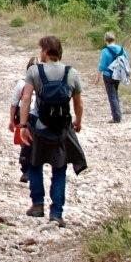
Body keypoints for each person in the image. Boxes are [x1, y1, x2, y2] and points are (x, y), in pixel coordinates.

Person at [18, 35, 86, 227]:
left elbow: (25, 98)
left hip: (39, 126)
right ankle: (56, 213)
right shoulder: (72, 73)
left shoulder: (34, 71)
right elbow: (78, 103)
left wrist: (23, 125)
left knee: (35, 164)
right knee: (59, 169)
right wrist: (78, 122)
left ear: (46, 52)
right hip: (62, 129)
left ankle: (37, 205)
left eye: (41, 50)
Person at [9, 57, 38, 183]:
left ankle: (27, 169)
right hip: (31, 115)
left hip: (29, 115)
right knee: (29, 143)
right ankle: (28, 169)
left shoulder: (23, 83)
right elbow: (14, 103)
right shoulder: (25, 83)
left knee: (28, 143)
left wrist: (11, 120)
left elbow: (14, 103)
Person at [96, 32, 129, 123]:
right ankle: (118, 114)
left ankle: (116, 117)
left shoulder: (105, 51)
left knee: (112, 96)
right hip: (118, 75)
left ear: (105, 40)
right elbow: (126, 60)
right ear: (114, 39)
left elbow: (102, 65)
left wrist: (98, 76)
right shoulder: (121, 49)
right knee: (115, 93)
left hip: (108, 75)